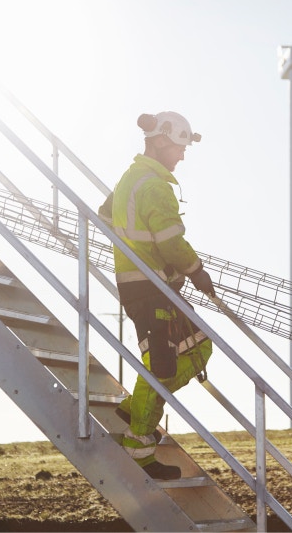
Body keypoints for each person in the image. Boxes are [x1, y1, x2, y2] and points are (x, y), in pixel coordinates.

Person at [98, 111, 216, 481]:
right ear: (162, 141)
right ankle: (138, 446)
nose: (181, 156)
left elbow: (105, 214)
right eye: (179, 148)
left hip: (145, 285)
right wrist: (196, 271)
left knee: (199, 347)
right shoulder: (154, 186)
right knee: (163, 366)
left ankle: (135, 409)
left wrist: (135, 252)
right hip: (151, 289)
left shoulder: (130, 179)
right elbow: (171, 242)